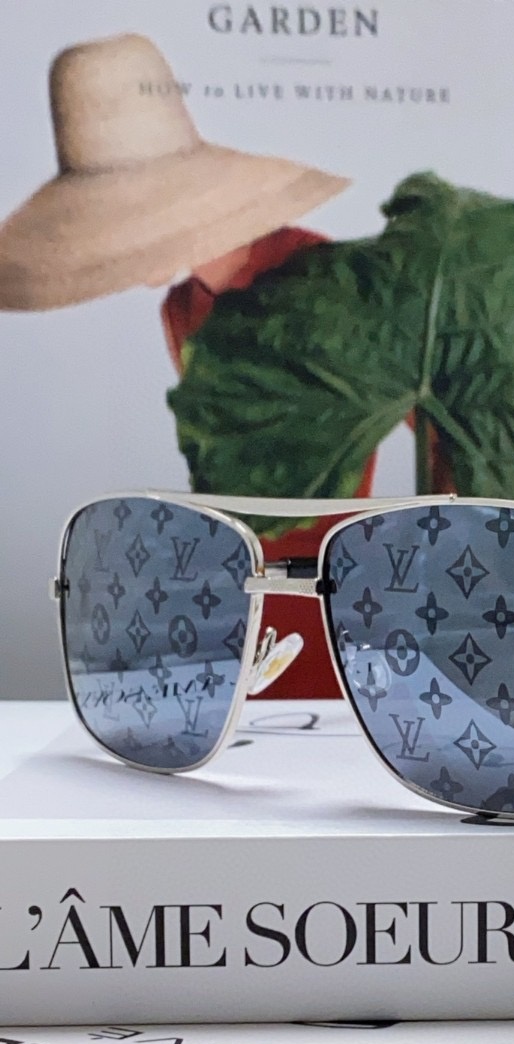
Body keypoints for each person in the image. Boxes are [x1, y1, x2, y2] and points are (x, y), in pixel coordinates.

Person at [0, 31, 363, 696]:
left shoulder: (323, 277)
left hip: (345, 585)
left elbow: (429, 430)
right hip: (239, 589)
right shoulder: (182, 309)